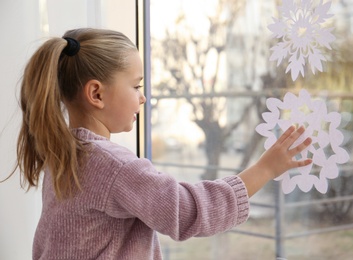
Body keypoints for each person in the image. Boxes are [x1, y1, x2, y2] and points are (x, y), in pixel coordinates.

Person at [14, 28, 312, 259]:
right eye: (136, 86)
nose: (142, 97)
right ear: (97, 94)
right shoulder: (111, 166)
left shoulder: (63, 154)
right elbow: (187, 211)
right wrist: (265, 168)